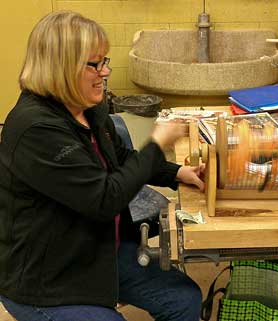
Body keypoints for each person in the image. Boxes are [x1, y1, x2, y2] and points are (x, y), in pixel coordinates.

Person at [0, 11, 205, 321]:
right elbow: (104, 199)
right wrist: (156, 144)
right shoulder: (35, 129)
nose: (105, 71)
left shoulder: (87, 107)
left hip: (97, 249)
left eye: (104, 61)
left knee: (183, 299)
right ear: (61, 68)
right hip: (47, 280)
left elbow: (120, 157)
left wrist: (175, 172)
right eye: (94, 65)